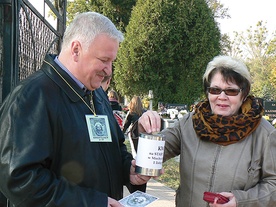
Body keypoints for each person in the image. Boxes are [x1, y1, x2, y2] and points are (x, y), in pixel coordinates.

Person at [0, 12, 150, 207]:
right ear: (76, 49)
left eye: (112, 61)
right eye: (104, 60)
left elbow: (114, 147)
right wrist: (91, 202)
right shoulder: (32, 97)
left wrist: (127, 171)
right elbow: (18, 179)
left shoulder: (96, 94)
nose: (109, 70)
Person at [133, 55, 276, 206]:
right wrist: (142, 129)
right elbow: (154, 152)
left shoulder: (264, 134)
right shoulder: (189, 123)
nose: (222, 97)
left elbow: (273, 184)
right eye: (215, 90)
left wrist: (241, 200)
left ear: (244, 94)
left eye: (231, 91)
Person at [123, 96, 147, 193]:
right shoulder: (144, 112)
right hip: (143, 136)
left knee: (134, 153)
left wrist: (121, 133)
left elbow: (126, 126)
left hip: (133, 136)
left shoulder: (131, 113)